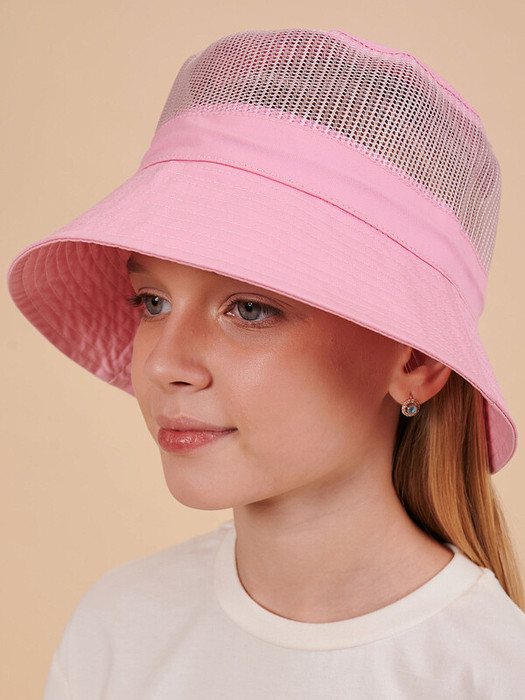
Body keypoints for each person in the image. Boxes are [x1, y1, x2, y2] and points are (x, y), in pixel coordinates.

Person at [7, 27, 525, 699]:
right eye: (152, 301)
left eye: (249, 309)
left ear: (418, 361)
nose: (165, 364)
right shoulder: (119, 629)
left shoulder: (490, 675)